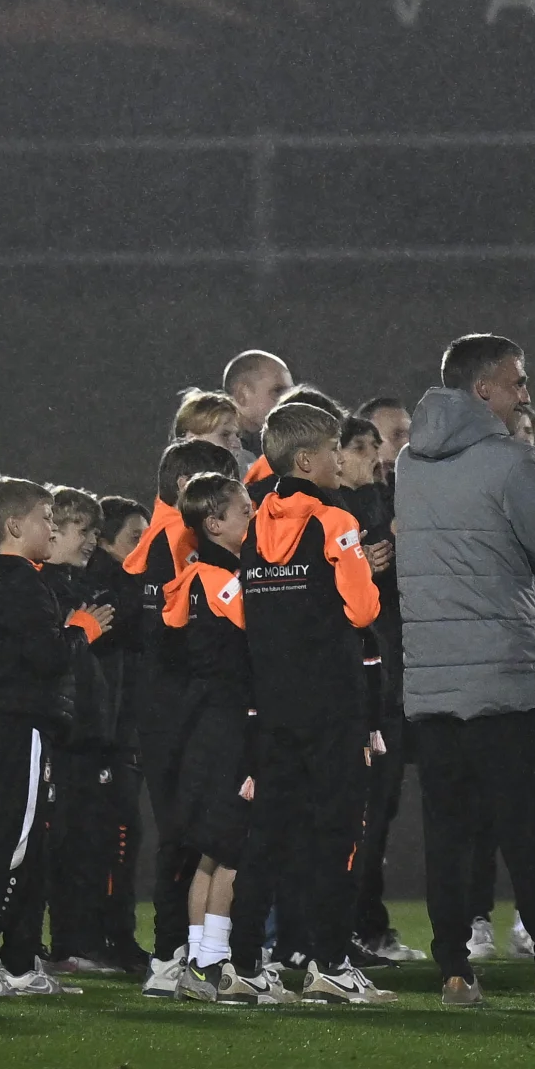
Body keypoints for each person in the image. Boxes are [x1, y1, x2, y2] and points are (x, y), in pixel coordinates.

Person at [398, 333, 535, 1009]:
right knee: (528, 834)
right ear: (483, 391)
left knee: (448, 836)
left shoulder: (409, 463)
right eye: (517, 383)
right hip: (503, 678)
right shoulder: (512, 461)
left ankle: (455, 973)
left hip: (432, 683)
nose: (526, 394)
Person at [235, 402, 391, 1005]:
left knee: (267, 835)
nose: (338, 460)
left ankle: (244, 964)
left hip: (273, 700)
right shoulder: (333, 519)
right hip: (331, 700)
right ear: (307, 460)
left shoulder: (253, 524)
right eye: (332, 451)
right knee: (337, 833)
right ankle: (328, 962)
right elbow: (363, 611)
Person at [0, 476, 87, 1000]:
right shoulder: (21, 583)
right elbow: (46, 658)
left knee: (30, 844)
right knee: (18, 841)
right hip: (18, 721)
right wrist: (78, 632)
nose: (53, 527)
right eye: (45, 519)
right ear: (14, 526)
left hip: (0, 719)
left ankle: (21, 962)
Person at [155, 470, 257, 1001]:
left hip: (205, 725)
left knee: (211, 854)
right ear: (214, 523)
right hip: (230, 725)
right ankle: (213, 966)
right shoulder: (223, 581)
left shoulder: (195, 578)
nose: (254, 515)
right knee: (233, 848)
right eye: (244, 509)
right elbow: (257, 651)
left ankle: (202, 966)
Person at [42, 488, 141, 977]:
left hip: (95, 733)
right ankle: (71, 942)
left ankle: (92, 940)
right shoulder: (55, 587)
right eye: (84, 531)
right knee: (71, 842)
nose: (90, 541)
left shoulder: (81, 587)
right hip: (70, 735)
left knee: (95, 841)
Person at [339, 403, 416, 969]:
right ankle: (332, 929)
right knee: (349, 815)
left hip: (386, 684)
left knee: (376, 814)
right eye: (364, 447)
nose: (377, 457)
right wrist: (358, 565)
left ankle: (364, 925)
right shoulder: (323, 514)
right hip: (345, 688)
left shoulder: (382, 505)